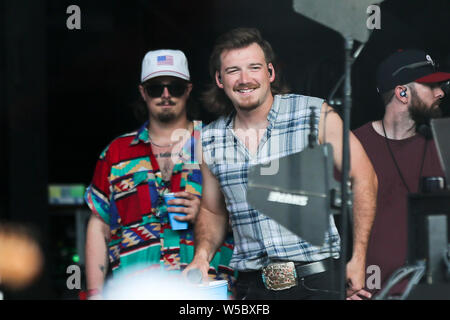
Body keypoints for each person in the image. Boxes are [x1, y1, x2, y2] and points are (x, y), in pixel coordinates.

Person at [184, 28, 377, 300]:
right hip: (253, 289)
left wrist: (358, 258)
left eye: (254, 67)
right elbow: (213, 210)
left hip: (317, 281)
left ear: (270, 73)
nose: (245, 79)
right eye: (233, 71)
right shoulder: (209, 139)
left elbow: (364, 177)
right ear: (219, 79)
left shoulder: (314, 113)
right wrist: (202, 257)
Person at [84, 49, 235, 300]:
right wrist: (95, 295)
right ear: (143, 92)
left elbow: (252, 218)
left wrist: (207, 212)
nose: (166, 95)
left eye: (174, 87)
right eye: (156, 88)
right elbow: (99, 226)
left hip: (205, 290)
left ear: (188, 89)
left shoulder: (217, 143)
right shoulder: (116, 153)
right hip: (135, 291)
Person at [353, 49, 449, 298]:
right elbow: (326, 224)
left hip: (434, 291)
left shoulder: (443, 143)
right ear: (402, 92)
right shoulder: (354, 146)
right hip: (371, 293)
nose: (441, 92)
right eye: (430, 86)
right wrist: (340, 282)